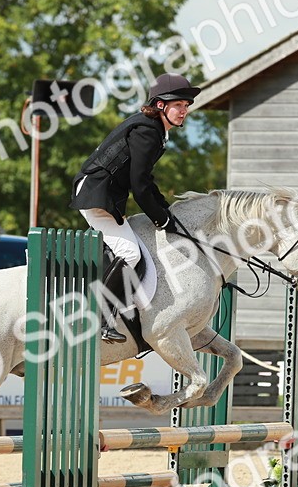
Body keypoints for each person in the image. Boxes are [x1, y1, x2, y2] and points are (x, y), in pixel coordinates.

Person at [69, 72, 200, 343]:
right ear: (161, 105)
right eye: (178, 105)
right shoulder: (148, 130)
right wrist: (161, 219)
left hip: (106, 194)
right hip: (96, 195)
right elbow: (139, 185)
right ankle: (103, 319)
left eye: (186, 106)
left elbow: (145, 181)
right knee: (129, 252)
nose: (184, 111)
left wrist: (165, 211)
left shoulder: (154, 129)